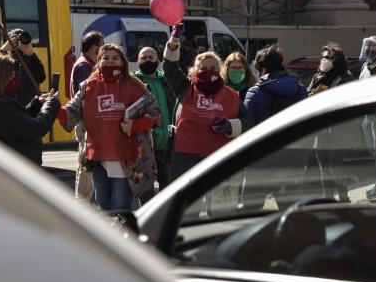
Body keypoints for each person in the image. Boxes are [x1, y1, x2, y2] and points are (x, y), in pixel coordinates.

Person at [58, 44, 160, 211]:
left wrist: (135, 125)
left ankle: (121, 236)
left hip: (129, 158)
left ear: (122, 63)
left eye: (115, 58)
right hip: (98, 158)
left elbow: (156, 113)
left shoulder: (135, 85)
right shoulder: (87, 86)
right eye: (105, 58)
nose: (110, 61)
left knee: (120, 207)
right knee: (103, 205)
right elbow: (71, 112)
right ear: (98, 62)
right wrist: (54, 107)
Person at [163, 25, 253, 180]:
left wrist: (230, 125)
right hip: (185, 158)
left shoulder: (231, 95)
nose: (208, 70)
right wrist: (174, 41)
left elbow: (248, 121)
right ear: (195, 71)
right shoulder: (185, 87)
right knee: (187, 201)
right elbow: (170, 68)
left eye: (212, 67)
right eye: (203, 68)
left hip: (217, 158)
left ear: (219, 70)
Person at [0, 53, 60, 166]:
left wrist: (37, 103)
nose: (16, 80)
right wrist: (52, 103)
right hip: (19, 169)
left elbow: (17, 124)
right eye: (12, 76)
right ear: (0, 79)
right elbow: (36, 128)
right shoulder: (1, 106)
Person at [306, 43, 354, 200]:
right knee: (324, 167)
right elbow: (308, 97)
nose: (323, 60)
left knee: (336, 165)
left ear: (336, 60)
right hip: (321, 129)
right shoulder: (317, 77)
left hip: (340, 129)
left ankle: (344, 197)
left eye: (327, 57)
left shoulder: (345, 78)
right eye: (323, 57)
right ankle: (329, 198)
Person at [133, 46, 175, 202]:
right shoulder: (132, 82)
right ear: (137, 61)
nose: (147, 60)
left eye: (151, 57)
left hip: (167, 145)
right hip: (143, 146)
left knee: (169, 189)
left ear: (158, 60)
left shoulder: (167, 81)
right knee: (145, 192)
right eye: (143, 57)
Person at [70, 30, 104, 202]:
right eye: (102, 45)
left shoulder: (84, 63)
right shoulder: (85, 66)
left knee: (87, 163)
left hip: (86, 120)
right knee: (86, 164)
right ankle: (82, 204)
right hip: (86, 121)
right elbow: (86, 97)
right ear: (94, 48)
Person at [244, 44, 308, 125]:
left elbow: (247, 126)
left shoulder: (254, 93)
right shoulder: (301, 89)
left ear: (263, 70)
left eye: (257, 69)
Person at [0, 28, 47, 105]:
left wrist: (31, 55)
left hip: (30, 106)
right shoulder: (7, 62)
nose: (20, 42)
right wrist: (3, 50)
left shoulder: (31, 60)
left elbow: (41, 77)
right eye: (16, 40)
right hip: (11, 106)